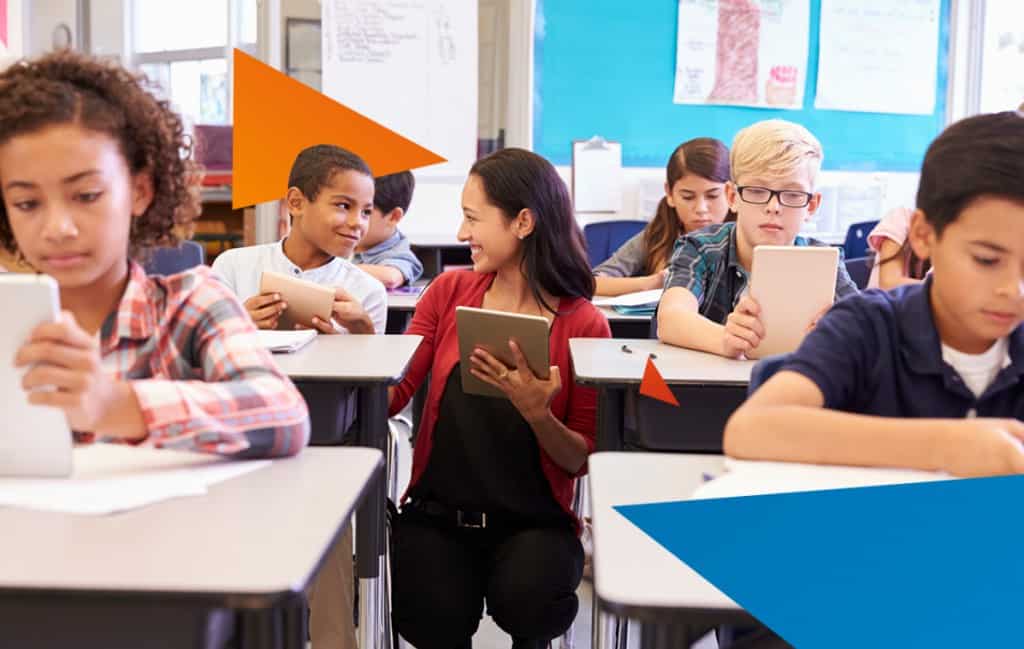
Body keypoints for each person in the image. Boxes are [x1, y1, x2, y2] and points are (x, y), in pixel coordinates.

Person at [0, 49, 309, 457]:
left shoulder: (191, 304)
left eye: (87, 195)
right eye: (27, 203)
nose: (59, 227)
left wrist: (113, 405)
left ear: (140, 192)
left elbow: (283, 416)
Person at [388, 148, 611, 649]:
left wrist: (538, 413)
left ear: (524, 222)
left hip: (535, 522)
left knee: (531, 598)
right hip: (439, 514)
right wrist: (363, 343)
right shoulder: (449, 290)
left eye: (472, 218)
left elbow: (580, 459)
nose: (462, 234)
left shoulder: (583, 323)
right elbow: (394, 394)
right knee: (427, 613)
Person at [724, 111, 1024, 477]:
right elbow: (752, 429)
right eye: (986, 259)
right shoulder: (868, 325)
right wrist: (952, 445)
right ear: (924, 236)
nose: (1014, 290)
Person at [657, 119, 858, 358]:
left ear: (811, 205)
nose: (773, 207)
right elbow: (671, 318)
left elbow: (867, 329)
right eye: (757, 191)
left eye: (792, 194)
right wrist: (726, 339)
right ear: (732, 196)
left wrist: (843, 332)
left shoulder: (825, 262)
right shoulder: (700, 248)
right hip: (711, 392)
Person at [212, 144, 387, 335]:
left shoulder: (369, 293)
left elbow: (367, 364)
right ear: (296, 203)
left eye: (366, 212)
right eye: (344, 205)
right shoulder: (232, 266)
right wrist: (237, 325)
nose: (358, 223)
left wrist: (362, 335)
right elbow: (202, 351)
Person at [593, 137, 732, 296]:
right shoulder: (658, 235)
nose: (701, 209)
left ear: (731, 193)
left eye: (712, 196)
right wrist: (652, 282)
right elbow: (592, 283)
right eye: (688, 197)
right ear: (669, 193)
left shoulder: (746, 236)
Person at [353, 170, 424, 288]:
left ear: (393, 216)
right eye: (346, 206)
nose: (352, 220)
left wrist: (334, 269)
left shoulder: (399, 254)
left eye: (366, 212)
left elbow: (391, 277)